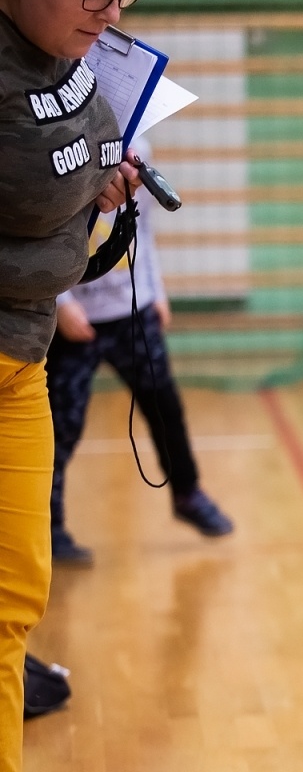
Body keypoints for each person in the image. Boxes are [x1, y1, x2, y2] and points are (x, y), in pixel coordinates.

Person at [0, 0, 150, 772]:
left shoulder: (68, 56)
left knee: (12, 597)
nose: (105, 15)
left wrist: (104, 202)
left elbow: (62, 229)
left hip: (18, 356)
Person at [50, 136, 234, 567]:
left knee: (164, 406)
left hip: (131, 312)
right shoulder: (60, 145)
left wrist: (155, 291)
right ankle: (49, 525)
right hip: (75, 321)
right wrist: (61, 304)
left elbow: (142, 228)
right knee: (60, 426)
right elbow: (40, 233)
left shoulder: (139, 152)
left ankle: (188, 494)